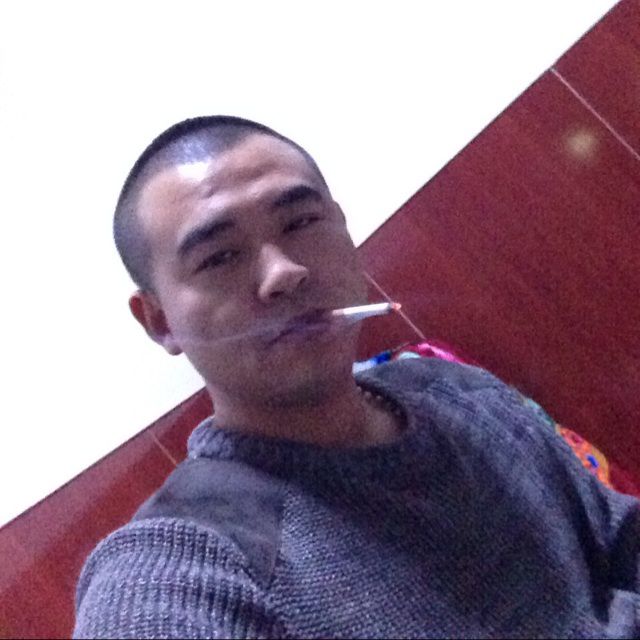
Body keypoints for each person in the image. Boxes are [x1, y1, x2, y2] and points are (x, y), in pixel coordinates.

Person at [74, 116, 640, 639]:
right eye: (219, 257)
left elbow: (618, 539)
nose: (284, 272)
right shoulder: (176, 576)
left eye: (301, 223)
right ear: (159, 321)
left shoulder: (459, 393)